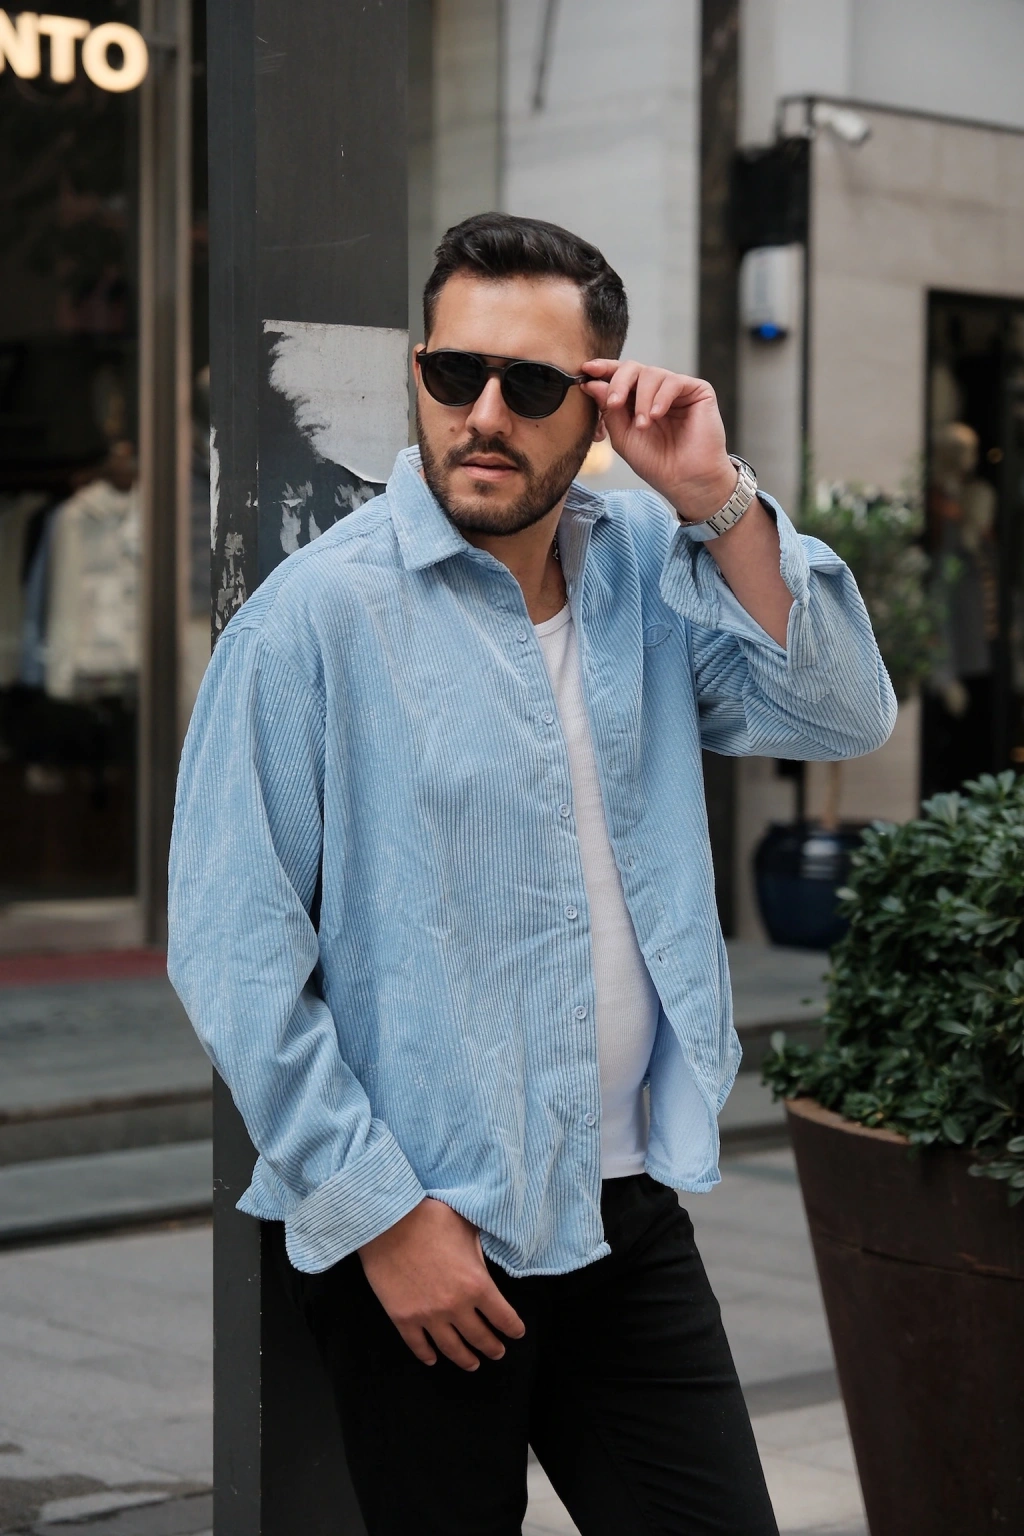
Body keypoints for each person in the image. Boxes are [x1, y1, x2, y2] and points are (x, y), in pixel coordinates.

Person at [168, 212, 895, 1535]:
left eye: (532, 384)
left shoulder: (647, 575)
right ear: (422, 374)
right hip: (429, 1230)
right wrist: (383, 1217)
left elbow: (840, 713)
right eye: (456, 374)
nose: (485, 415)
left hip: (623, 1209)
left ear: (598, 401)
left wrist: (716, 498)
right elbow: (234, 953)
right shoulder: (313, 622)